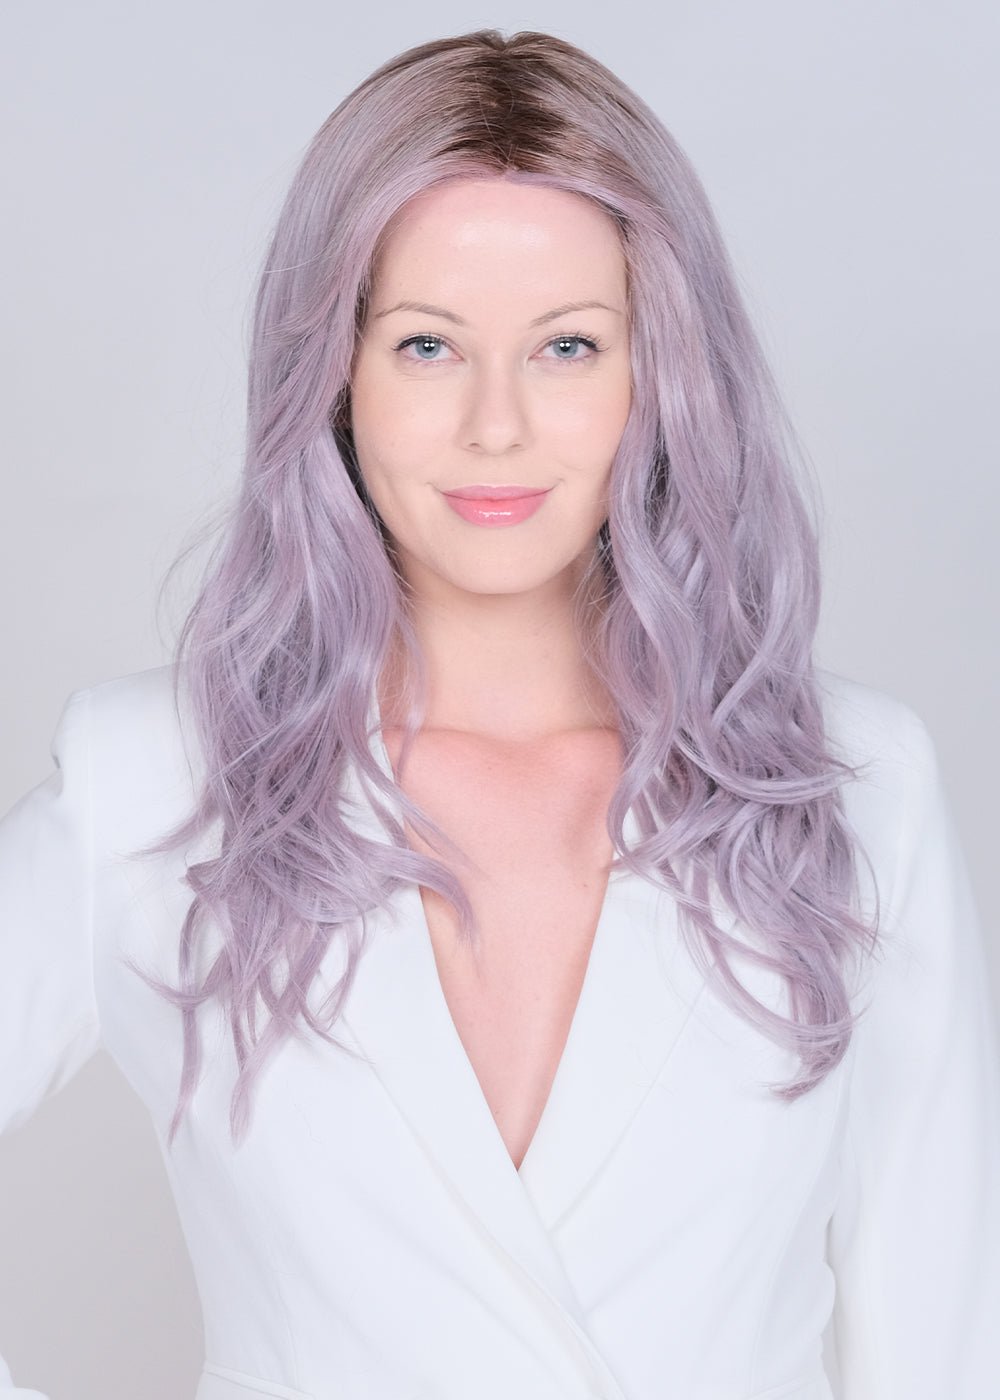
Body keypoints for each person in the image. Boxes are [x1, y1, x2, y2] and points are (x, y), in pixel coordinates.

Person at [2, 26, 998, 1400]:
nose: (496, 426)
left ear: (660, 375)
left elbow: (945, 1339)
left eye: (568, 347)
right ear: (334, 375)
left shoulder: (855, 786)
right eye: (427, 345)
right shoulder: (154, 782)